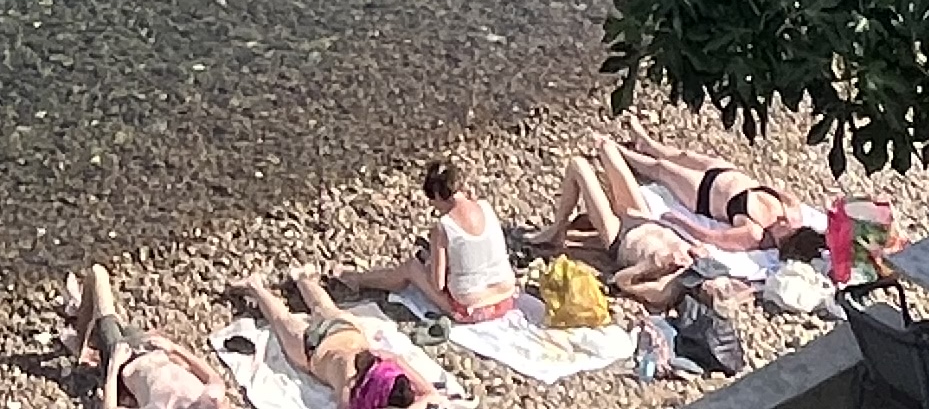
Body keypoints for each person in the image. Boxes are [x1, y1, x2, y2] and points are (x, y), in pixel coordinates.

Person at [326, 154, 524, 326]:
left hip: (473, 309)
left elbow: (437, 284)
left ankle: (358, 279)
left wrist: (429, 265)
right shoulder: (485, 207)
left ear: (437, 195)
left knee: (411, 268)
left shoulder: (444, 226)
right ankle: (362, 279)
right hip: (506, 298)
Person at [234, 271, 442, 409]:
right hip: (313, 350)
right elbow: (432, 395)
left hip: (346, 330)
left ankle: (302, 278)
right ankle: (255, 286)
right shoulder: (351, 395)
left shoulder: (384, 362)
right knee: (282, 320)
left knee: (323, 307)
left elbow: (406, 370)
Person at [598, 126, 823, 253]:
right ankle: (648, 144)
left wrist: (679, 221)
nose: (785, 224)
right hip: (729, 173)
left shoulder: (754, 233)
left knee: (662, 168)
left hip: (705, 194)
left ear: (782, 243)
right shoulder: (790, 210)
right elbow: (782, 193)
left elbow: (713, 237)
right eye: (792, 227)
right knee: (681, 156)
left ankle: (617, 151)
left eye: (786, 232)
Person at [547, 143, 708, 311]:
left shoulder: (664, 290)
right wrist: (695, 249)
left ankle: (556, 230)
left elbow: (621, 281)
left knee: (578, 166)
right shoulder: (701, 267)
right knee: (608, 149)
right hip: (646, 220)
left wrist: (648, 266)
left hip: (620, 237)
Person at [66, 267, 237, 409]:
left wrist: (113, 367)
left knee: (98, 275)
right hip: (150, 349)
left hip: (125, 361)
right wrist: (173, 348)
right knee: (115, 321)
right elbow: (214, 379)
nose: (216, 402)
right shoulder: (210, 396)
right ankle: (84, 314)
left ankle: (83, 325)